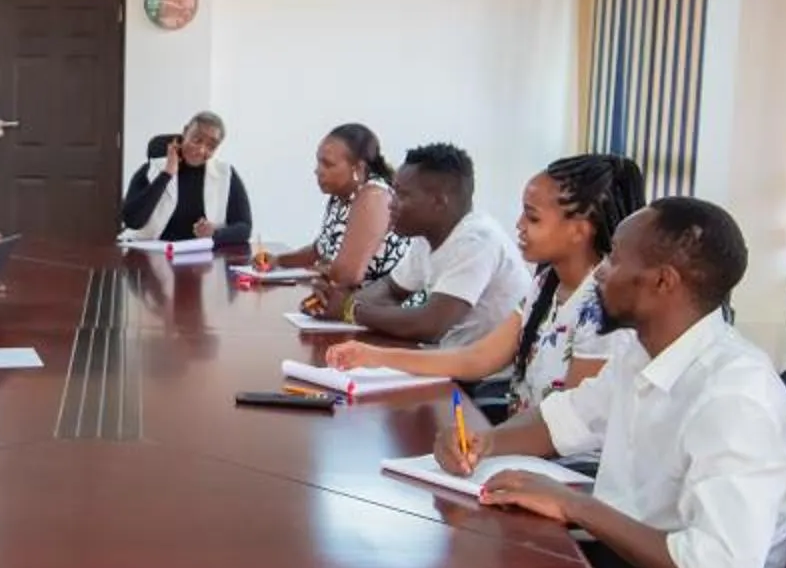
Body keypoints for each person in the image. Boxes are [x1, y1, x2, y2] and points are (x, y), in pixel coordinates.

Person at [448, 197, 786, 568]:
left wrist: (577, 505)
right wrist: (485, 441)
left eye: (616, 258)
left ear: (664, 281)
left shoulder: (735, 397)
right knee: (478, 564)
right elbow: (566, 419)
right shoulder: (642, 351)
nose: (600, 272)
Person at [328, 153, 643, 410]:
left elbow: (569, 423)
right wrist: (372, 356)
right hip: (524, 441)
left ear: (580, 229)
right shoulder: (546, 284)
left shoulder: (603, 308)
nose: (518, 225)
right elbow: (477, 358)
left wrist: (489, 443)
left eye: (532, 218)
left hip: (561, 466)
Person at [317, 142, 522, 347]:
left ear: (439, 202)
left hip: (487, 377)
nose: (391, 203)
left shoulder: (477, 241)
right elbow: (391, 290)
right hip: (449, 359)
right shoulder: (428, 236)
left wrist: (349, 310)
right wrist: (334, 304)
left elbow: (430, 326)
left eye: (402, 195)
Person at [269, 123, 408, 286]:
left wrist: (322, 268)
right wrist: (276, 261)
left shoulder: (373, 197)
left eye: (328, 164)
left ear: (358, 168)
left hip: (381, 306)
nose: (318, 171)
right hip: (346, 302)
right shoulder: (341, 195)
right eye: (318, 162)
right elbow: (320, 250)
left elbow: (348, 275)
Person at [120, 110, 252, 245]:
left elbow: (244, 227)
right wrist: (166, 174)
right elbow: (132, 221)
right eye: (197, 140)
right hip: (151, 254)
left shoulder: (225, 174)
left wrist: (216, 233)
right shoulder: (151, 169)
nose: (201, 150)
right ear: (185, 132)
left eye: (211, 146)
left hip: (201, 257)